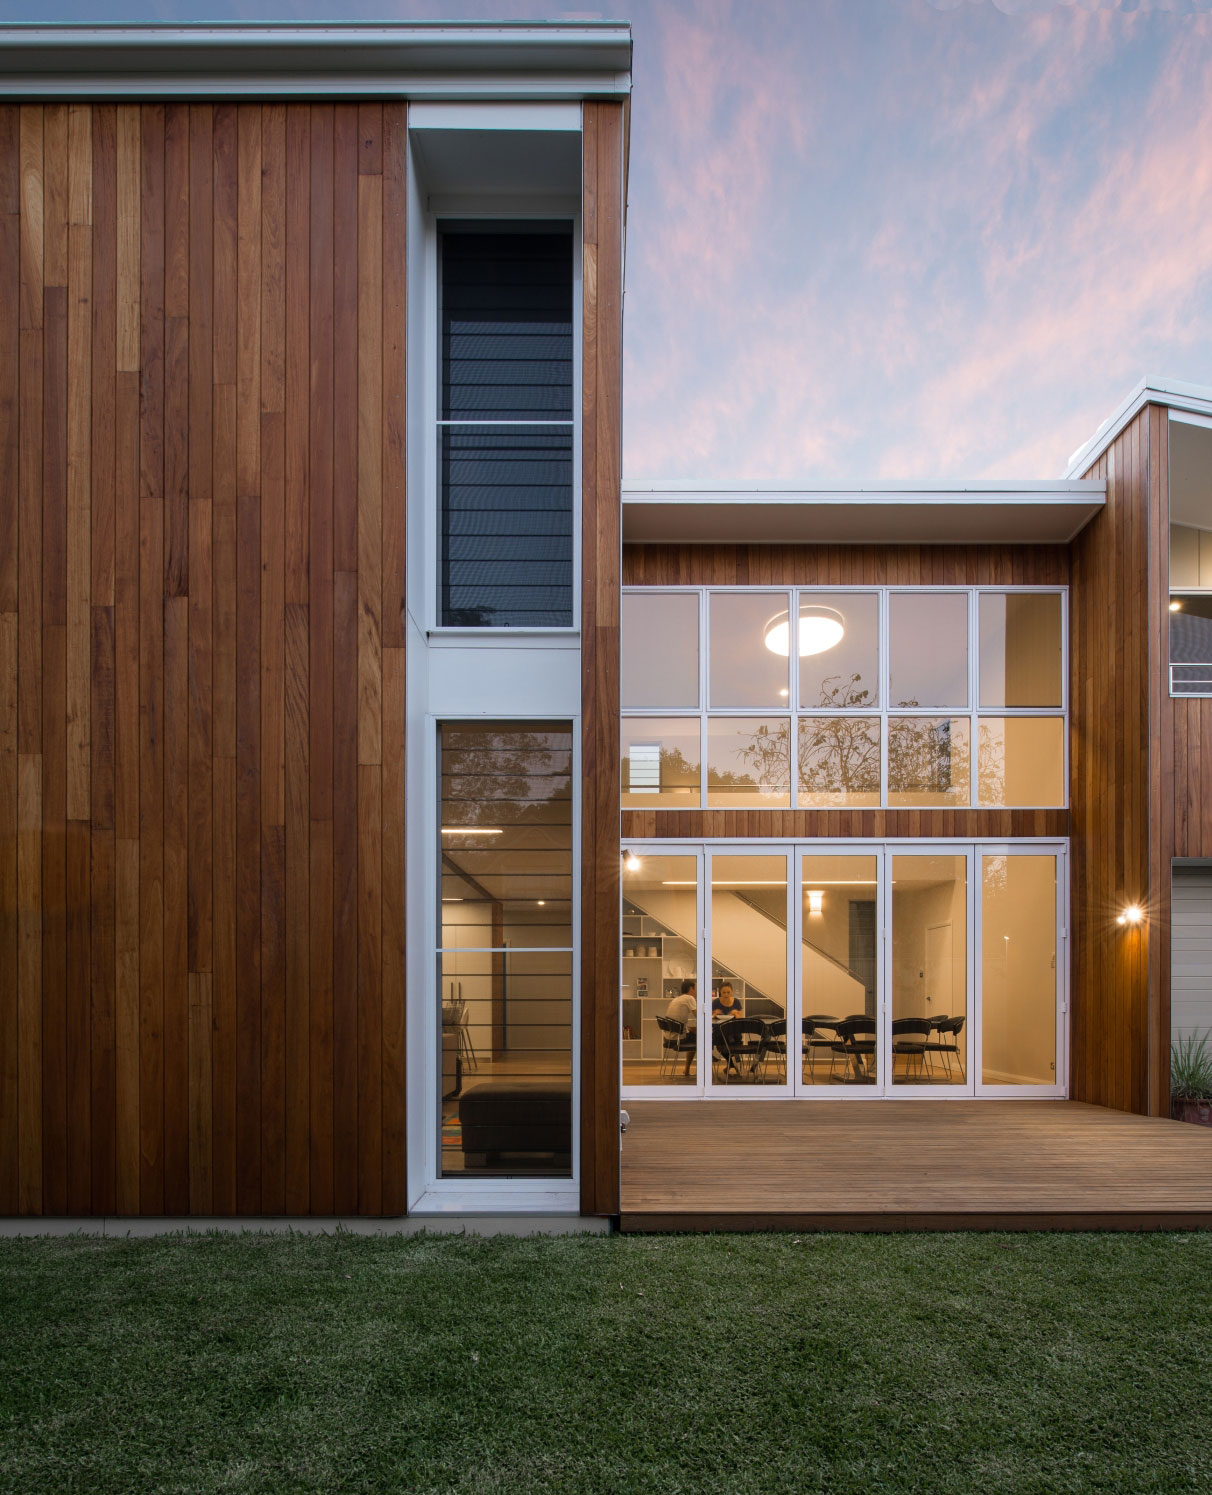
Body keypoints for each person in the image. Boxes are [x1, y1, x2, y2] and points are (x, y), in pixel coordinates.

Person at [665, 979, 697, 1077]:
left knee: (694, 1032)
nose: (697, 991)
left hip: (668, 1037)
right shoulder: (690, 998)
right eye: (696, 988)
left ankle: (687, 1070)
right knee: (702, 1039)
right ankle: (703, 1071)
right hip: (678, 1039)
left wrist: (689, 1029)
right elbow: (699, 1017)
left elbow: (676, 1020)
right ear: (691, 988)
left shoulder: (675, 999)